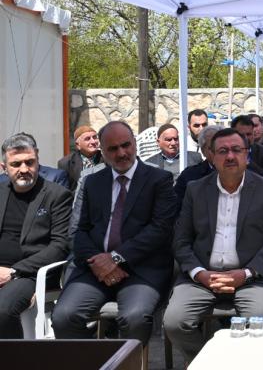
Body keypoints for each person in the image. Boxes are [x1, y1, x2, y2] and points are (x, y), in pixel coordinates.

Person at [164, 127, 263, 364]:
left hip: (251, 278)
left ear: (247, 154)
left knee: (261, 321)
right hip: (202, 277)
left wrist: (246, 273)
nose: (230, 156)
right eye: (223, 151)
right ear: (211, 156)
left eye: (236, 150)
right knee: (174, 322)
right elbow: (180, 240)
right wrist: (199, 273)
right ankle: (211, 364)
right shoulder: (195, 189)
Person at [52, 121, 177, 345]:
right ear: (102, 151)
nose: (121, 153)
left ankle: (126, 362)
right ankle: (94, 361)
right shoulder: (92, 182)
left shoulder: (159, 179)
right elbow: (79, 230)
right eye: (113, 149)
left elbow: (161, 230)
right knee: (63, 317)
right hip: (95, 270)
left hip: (142, 269)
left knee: (135, 318)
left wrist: (116, 258)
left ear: (134, 144)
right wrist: (98, 262)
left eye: (125, 145)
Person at [0, 133, 73, 338]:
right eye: (16, 164)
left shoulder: (57, 195)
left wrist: (13, 271)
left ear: (38, 159)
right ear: (4, 167)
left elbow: (60, 246)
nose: (24, 169)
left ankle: (14, 356)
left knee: (2, 310)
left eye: (29, 162)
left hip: (29, 274)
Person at [173, 125, 221, 210]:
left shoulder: (240, 173)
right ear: (203, 151)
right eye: (212, 148)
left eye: (221, 147)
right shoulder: (189, 176)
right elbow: (177, 208)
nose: (217, 151)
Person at [58, 125, 102, 191]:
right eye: (87, 139)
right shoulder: (66, 163)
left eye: (95, 137)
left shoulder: (107, 159)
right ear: (78, 145)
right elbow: (64, 191)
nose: (93, 141)